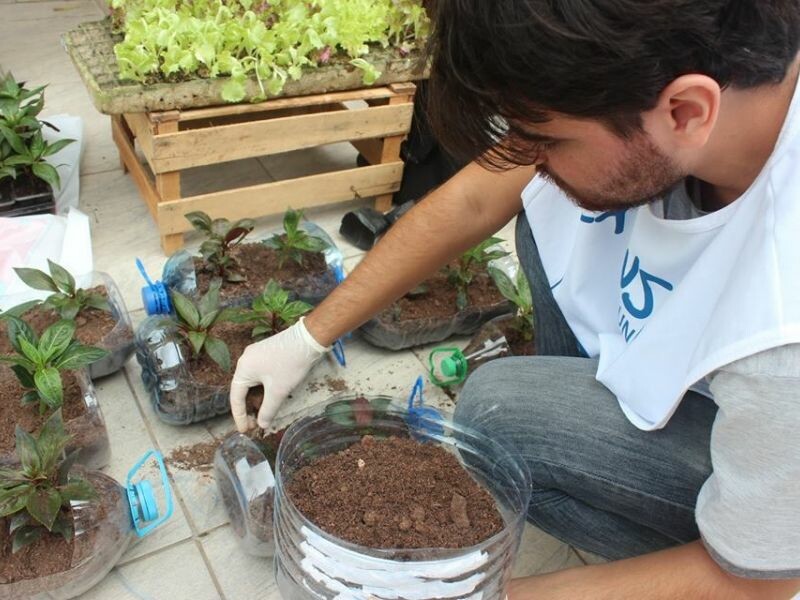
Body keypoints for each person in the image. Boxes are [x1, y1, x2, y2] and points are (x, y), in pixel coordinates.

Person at [230, 1, 800, 597]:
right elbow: (481, 194)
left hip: (762, 466)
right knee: (551, 205)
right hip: (707, 370)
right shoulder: (677, 84)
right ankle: (598, 398)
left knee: (501, 414)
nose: (529, 158)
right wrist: (308, 335)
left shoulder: (782, 325)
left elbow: (755, 583)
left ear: (686, 112)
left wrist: (488, 595)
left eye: (546, 139)